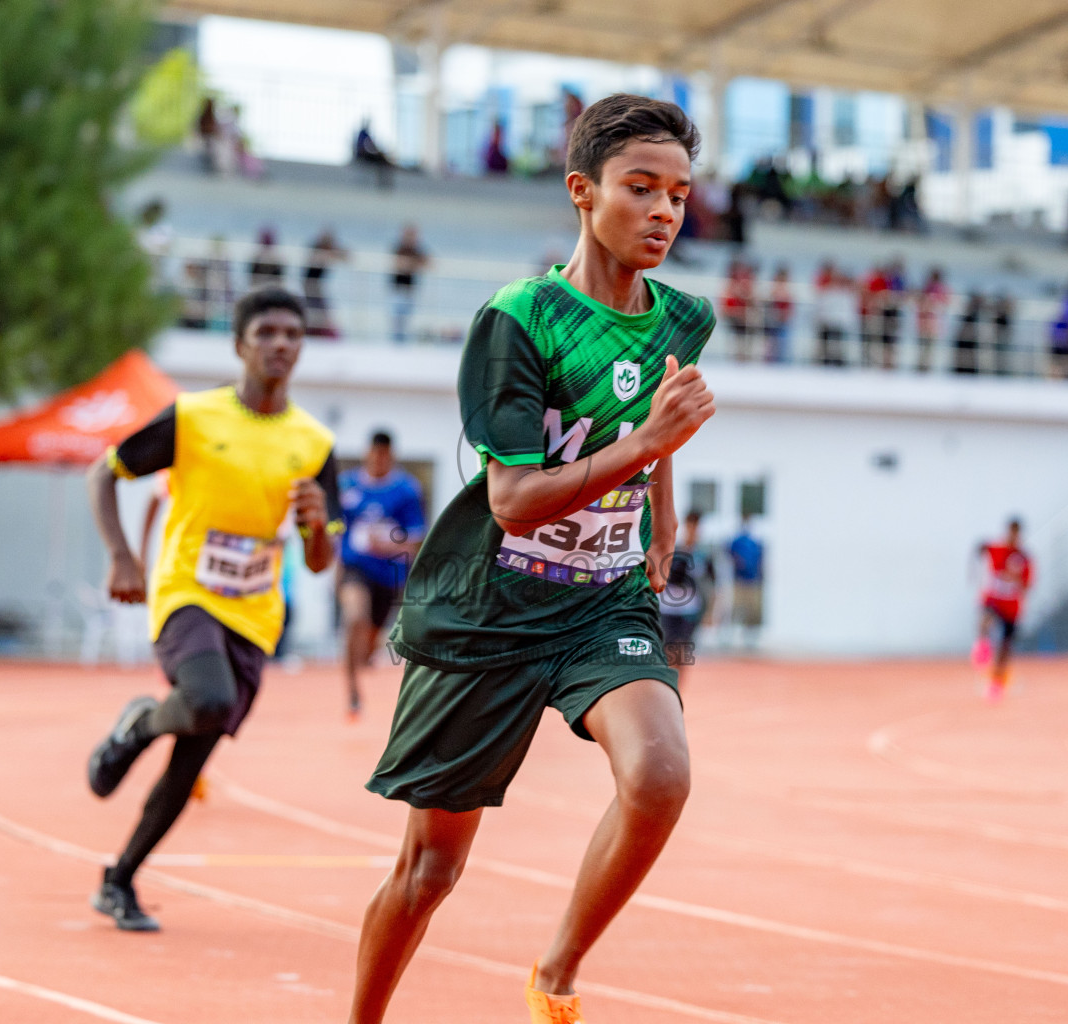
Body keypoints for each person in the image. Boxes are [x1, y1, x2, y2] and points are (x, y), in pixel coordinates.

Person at [348, 94, 716, 1024]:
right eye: (642, 188)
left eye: (680, 193)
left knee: (661, 775)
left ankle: (555, 978)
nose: (665, 211)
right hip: (492, 604)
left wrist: (660, 521)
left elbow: (655, 420)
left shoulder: (682, 318)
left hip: (604, 600)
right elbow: (511, 502)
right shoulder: (520, 320)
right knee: (430, 869)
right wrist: (642, 453)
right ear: (583, 193)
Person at [83, 286, 344, 931]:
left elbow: (319, 561)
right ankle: (140, 723)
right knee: (205, 700)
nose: (281, 344)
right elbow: (104, 473)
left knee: (194, 754)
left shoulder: (314, 444)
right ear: (240, 345)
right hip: (187, 592)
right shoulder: (194, 417)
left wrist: (314, 528)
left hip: (255, 610)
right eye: (267, 334)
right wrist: (122, 557)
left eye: (292, 334)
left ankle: (119, 880)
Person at [338, 431, 425, 720]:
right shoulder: (348, 485)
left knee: (369, 640)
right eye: (373, 454)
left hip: (388, 575)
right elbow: (336, 530)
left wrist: (387, 544)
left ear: (391, 456)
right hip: (355, 570)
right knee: (354, 618)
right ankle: (352, 692)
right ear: (367, 454)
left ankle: (364, 656)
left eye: (384, 456)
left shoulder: (406, 490)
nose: (378, 460)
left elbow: (416, 540)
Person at [971, 518, 1034, 703]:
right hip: (994, 600)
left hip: (1012, 607)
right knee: (985, 618)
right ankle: (982, 646)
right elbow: (981, 548)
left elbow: (1027, 584)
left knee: (1005, 649)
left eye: (1016, 534)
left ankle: (996, 684)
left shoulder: (1023, 557)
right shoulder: (997, 548)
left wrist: (1013, 579)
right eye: (1010, 533)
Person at [660, 510, 716, 688]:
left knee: (683, 652)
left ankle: (677, 688)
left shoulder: (704, 555)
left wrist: (710, 612)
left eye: (696, 526)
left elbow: (712, 586)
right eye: (690, 525)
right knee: (668, 651)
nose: (693, 529)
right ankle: (668, 685)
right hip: (668, 608)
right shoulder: (673, 549)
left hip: (690, 609)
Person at [389, 224, 429, 344]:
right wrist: (412, 265)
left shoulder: (416, 250)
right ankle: (396, 342)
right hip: (398, 289)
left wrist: (410, 264)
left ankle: (403, 342)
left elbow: (428, 262)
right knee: (396, 317)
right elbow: (398, 264)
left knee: (407, 318)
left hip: (410, 289)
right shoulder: (399, 248)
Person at [727, 515, 764, 648]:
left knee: (752, 611)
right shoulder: (737, 542)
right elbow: (729, 554)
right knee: (736, 609)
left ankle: (751, 639)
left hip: (752, 581)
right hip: (739, 581)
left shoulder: (754, 542)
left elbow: (759, 560)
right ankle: (729, 636)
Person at [302, 229, 347, 338]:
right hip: (311, 284)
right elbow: (317, 259)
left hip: (315, 284)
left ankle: (324, 333)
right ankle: (326, 333)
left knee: (319, 310)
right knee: (319, 310)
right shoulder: (316, 250)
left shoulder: (326, 250)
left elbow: (346, 256)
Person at [354, 119, 395, 189]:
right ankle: (383, 181)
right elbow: (366, 147)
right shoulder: (363, 134)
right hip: (362, 156)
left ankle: (385, 177)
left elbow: (372, 146)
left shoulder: (366, 134)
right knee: (381, 158)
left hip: (366, 154)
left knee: (382, 159)